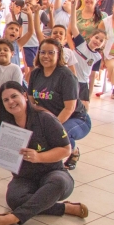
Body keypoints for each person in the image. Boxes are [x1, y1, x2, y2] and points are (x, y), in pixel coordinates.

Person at [0, 81, 89, 225]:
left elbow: (66, 149)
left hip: (52, 172)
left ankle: (15, 217)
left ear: (25, 96)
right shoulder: (4, 123)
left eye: (14, 96)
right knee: (13, 199)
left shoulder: (44, 118)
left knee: (59, 183)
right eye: (6, 100)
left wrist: (39, 157)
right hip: (24, 177)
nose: (11, 102)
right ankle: (64, 208)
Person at [27, 38, 91, 170]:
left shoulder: (66, 76)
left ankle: (72, 153)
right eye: (43, 52)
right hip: (49, 118)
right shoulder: (35, 73)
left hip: (77, 118)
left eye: (51, 52)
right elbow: (31, 101)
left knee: (60, 133)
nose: (46, 56)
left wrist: (50, 126)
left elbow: (69, 108)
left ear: (59, 54)